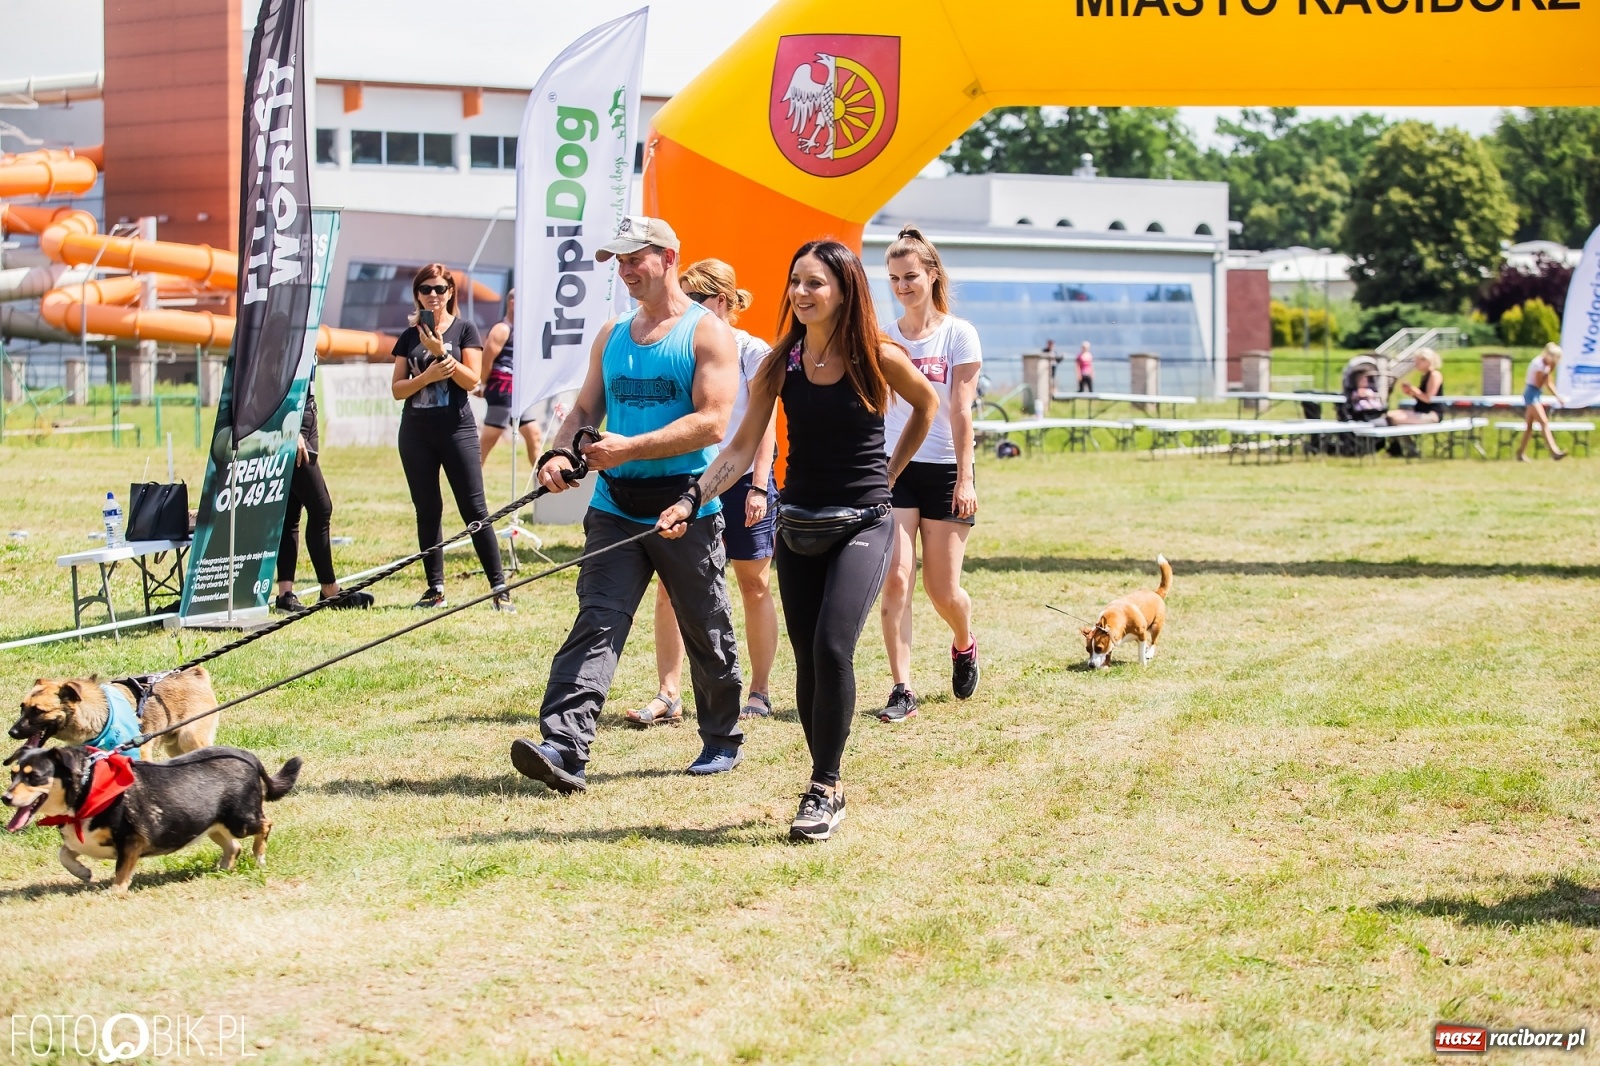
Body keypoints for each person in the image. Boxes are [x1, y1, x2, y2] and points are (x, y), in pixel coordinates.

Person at [658, 239, 938, 843]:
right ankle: (825, 779)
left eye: (816, 283)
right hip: (799, 523)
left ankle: (824, 784)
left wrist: (889, 474)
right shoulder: (780, 361)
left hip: (863, 521)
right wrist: (690, 498)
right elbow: (738, 449)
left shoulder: (875, 354)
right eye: (796, 283)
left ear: (844, 289)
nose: (802, 294)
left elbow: (926, 404)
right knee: (808, 655)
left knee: (834, 648)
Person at [509, 216, 745, 794]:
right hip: (616, 505)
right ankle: (564, 747)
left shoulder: (707, 333)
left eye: (636, 257)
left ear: (669, 257)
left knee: (705, 626)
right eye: (619, 259)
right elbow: (586, 407)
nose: (625, 269)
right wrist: (560, 453)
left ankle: (720, 737)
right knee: (598, 620)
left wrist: (630, 447)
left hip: (685, 507)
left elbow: (712, 422)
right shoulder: (612, 333)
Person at [625, 259, 781, 727]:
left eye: (697, 299)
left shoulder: (754, 350)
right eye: (685, 297)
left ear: (724, 302)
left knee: (754, 584)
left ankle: (759, 690)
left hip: (743, 481)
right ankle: (669, 694)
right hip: (691, 481)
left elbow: (767, 421)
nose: (688, 307)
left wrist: (758, 484)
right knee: (669, 591)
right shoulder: (683, 344)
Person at [877, 226, 982, 723]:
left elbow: (961, 412)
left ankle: (963, 642)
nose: (903, 285)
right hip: (895, 470)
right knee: (896, 579)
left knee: (943, 590)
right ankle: (902, 688)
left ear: (933, 274)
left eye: (911, 275)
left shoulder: (958, 333)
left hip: (943, 469)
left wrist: (966, 477)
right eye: (895, 278)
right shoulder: (883, 336)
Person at [390, 263, 512, 611]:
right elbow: (398, 390)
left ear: (450, 293)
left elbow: (472, 379)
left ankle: (498, 588)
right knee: (427, 510)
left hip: (457, 429)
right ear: (417, 294)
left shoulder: (465, 330)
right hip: (415, 432)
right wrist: (425, 377)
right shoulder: (408, 336)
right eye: (426, 289)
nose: (433, 295)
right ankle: (435, 588)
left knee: (474, 508)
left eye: (440, 289)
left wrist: (443, 352)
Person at [273, 383, 374, 612]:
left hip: (308, 413)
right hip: (290, 420)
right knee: (321, 508)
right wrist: (289, 429)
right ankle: (330, 591)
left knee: (292, 511)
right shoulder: (283, 344)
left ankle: (285, 595)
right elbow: (272, 379)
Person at [476, 289, 545, 470]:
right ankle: (470, 487)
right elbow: (486, 360)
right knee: (488, 440)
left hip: (520, 392)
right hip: (502, 389)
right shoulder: (502, 329)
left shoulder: (523, 331)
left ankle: (543, 489)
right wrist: (482, 384)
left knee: (534, 435)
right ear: (513, 303)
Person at [1516, 342, 1569, 461]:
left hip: (1536, 394)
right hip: (1531, 394)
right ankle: (1554, 451)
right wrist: (1547, 371)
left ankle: (1520, 453)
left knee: (1529, 426)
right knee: (1544, 422)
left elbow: (1549, 383)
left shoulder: (1545, 366)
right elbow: (1540, 383)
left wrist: (1558, 397)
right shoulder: (1539, 365)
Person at [1386, 349, 1444, 425]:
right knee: (1388, 415)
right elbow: (1422, 397)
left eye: (1418, 362)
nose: (1416, 364)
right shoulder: (1425, 375)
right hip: (1421, 411)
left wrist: (1413, 389)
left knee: (1393, 418)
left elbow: (1429, 399)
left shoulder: (1434, 375)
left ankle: (1403, 437)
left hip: (1431, 414)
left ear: (1426, 361)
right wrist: (1410, 392)